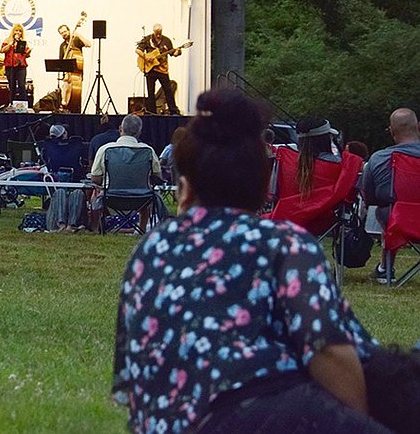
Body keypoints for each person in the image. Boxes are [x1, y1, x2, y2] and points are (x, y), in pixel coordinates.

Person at [113, 87, 386, 433]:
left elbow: (134, 373)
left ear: (186, 186)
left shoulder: (149, 249)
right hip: (256, 414)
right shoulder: (283, 246)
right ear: (260, 181)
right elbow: (332, 353)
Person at [362, 108, 420, 284]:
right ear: (418, 127)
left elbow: (369, 198)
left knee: (386, 210)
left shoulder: (379, 158)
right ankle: (383, 268)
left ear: (391, 131)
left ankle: (386, 269)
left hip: (397, 221)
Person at [89, 113, 161, 230]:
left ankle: (96, 228)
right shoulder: (148, 151)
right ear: (139, 132)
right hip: (141, 199)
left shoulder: (105, 149)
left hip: (110, 198)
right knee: (149, 191)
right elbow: (157, 177)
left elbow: (95, 179)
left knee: (95, 192)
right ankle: (141, 229)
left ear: (120, 129)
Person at [134, 24, 182, 115]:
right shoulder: (148, 39)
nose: (158, 35)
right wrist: (145, 57)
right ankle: (152, 112)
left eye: (160, 33)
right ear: (153, 31)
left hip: (162, 70)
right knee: (150, 91)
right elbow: (138, 50)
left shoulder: (167, 41)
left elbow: (173, 53)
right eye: (157, 33)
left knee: (168, 90)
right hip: (150, 69)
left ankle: (173, 111)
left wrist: (178, 52)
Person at [57, 23, 89, 111]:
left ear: (68, 31)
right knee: (65, 98)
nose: (64, 34)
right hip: (67, 75)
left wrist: (79, 35)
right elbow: (61, 62)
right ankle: (64, 108)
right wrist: (64, 73)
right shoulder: (62, 46)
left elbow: (88, 44)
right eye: (62, 33)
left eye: (65, 31)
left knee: (76, 98)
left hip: (76, 74)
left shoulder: (76, 40)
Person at [0, 23, 29, 103]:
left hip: (21, 66)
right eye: (16, 30)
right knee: (12, 86)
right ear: (13, 31)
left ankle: (24, 104)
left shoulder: (23, 42)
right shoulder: (7, 40)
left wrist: (28, 52)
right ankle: (11, 103)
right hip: (10, 66)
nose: (18, 32)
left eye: (20, 31)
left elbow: (26, 55)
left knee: (21, 85)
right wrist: (11, 43)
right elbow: (2, 50)